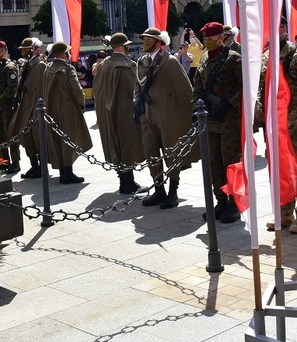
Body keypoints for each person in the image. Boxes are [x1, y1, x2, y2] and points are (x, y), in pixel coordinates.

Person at [258, 19, 297, 233]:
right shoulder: (265, 59)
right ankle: (284, 213)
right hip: (275, 126)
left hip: (295, 125)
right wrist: (260, 111)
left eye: (279, 28)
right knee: (280, 170)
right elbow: (260, 90)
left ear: (284, 30)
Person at [135, 27, 195, 209]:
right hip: (148, 115)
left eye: (149, 38)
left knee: (171, 152)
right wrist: (136, 104)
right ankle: (158, 189)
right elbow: (137, 86)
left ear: (158, 42)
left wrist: (185, 113)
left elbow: (185, 88)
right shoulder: (142, 61)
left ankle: (173, 191)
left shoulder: (170, 62)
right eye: (144, 38)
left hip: (167, 116)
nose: (145, 41)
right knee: (150, 153)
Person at [192, 22, 243, 223]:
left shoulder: (233, 59)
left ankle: (233, 204)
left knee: (230, 163)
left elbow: (244, 87)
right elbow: (197, 87)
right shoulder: (204, 59)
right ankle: (220, 200)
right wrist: (195, 109)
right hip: (210, 121)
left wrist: (229, 104)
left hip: (229, 121)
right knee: (214, 164)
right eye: (205, 38)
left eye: (210, 38)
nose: (207, 41)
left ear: (221, 37)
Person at [93, 32, 147, 194]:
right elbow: (137, 89)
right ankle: (128, 183)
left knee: (116, 143)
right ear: (124, 46)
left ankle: (124, 181)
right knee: (128, 145)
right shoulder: (129, 65)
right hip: (126, 111)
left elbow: (97, 87)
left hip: (107, 111)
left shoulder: (103, 65)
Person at [42, 42, 91, 184]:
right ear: (63, 54)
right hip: (67, 109)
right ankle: (68, 173)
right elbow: (77, 89)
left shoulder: (48, 68)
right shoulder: (68, 68)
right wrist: (81, 104)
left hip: (51, 109)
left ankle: (62, 171)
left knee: (56, 139)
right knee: (68, 139)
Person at [8, 38, 46, 178]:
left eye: (25, 48)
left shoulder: (40, 65)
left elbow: (42, 88)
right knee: (27, 138)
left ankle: (41, 168)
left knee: (38, 138)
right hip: (26, 105)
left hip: (35, 107)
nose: (22, 51)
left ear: (32, 49)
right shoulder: (28, 64)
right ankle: (34, 166)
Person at [0, 40, 21, 174]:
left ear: (3, 51)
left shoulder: (10, 67)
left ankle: (15, 162)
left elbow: (12, 88)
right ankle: (3, 160)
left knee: (11, 135)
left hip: (7, 107)